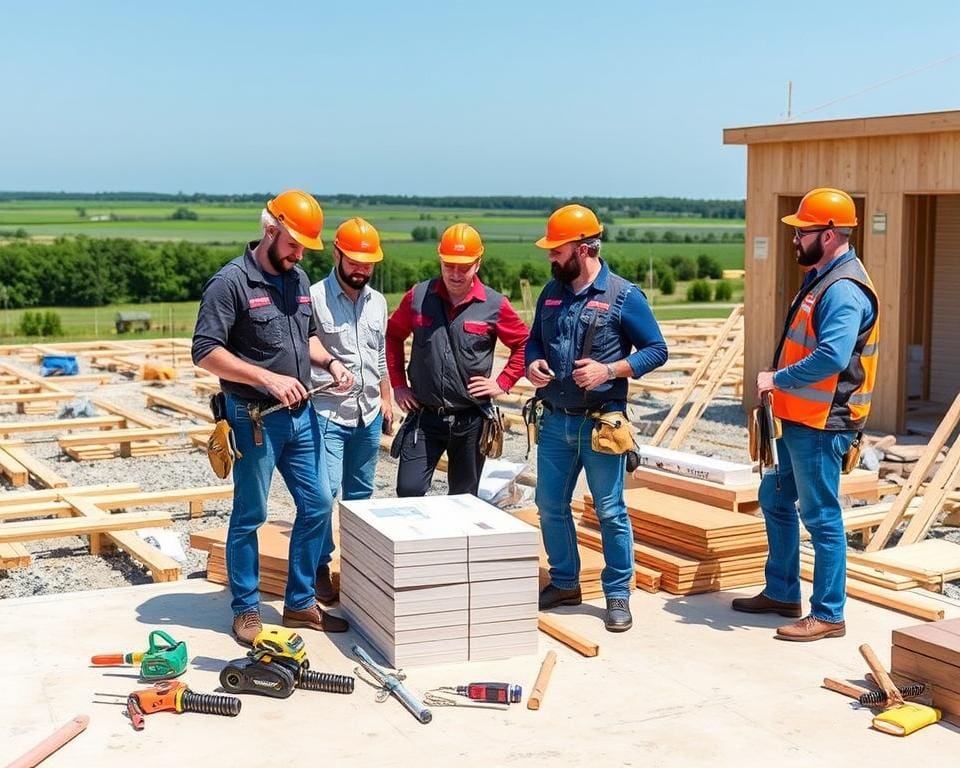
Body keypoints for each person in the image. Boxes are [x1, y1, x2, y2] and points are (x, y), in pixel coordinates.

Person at [191, 189, 353, 646]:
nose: (300, 254)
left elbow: (309, 338)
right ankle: (245, 608)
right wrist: (265, 378)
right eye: (293, 244)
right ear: (269, 231)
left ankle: (300, 602)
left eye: (304, 247)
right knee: (251, 514)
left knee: (318, 503)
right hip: (254, 417)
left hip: (300, 415)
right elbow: (205, 352)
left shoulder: (297, 279)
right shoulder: (230, 283)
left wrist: (331, 363)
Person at [731, 187, 878, 642]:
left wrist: (777, 379)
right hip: (799, 420)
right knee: (774, 498)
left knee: (821, 517)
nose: (794, 238)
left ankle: (829, 614)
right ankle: (782, 592)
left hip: (823, 425)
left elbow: (833, 357)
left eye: (803, 231)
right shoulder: (821, 276)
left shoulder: (843, 289)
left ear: (830, 234)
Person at [526, 204, 667, 633]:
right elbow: (534, 342)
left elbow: (656, 350)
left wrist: (609, 370)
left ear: (584, 249)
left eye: (557, 249)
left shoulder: (624, 296)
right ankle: (566, 581)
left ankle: (618, 594)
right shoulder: (552, 293)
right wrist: (533, 364)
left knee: (609, 510)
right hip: (555, 420)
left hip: (602, 422)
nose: (550, 257)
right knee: (549, 505)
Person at [386, 222, 529, 496]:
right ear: (440, 260)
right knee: (409, 489)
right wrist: (398, 384)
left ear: (478, 263)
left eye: (463, 266)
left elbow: (524, 343)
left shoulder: (494, 304)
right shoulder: (418, 297)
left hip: (471, 419)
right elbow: (392, 336)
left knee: (464, 498)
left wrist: (503, 382)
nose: (455, 273)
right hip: (424, 416)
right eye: (448, 265)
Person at [309, 217, 393, 604]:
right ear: (337, 253)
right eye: (354, 260)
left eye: (368, 262)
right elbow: (305, 347)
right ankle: (319, 567)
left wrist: (387, 398)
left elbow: (379, 356)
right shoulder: (314, 298)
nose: (361, 269)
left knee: (361, 494)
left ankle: (359, 566)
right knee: (324, 494)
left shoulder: (378, 302)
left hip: (368, 413)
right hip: (328, 412)